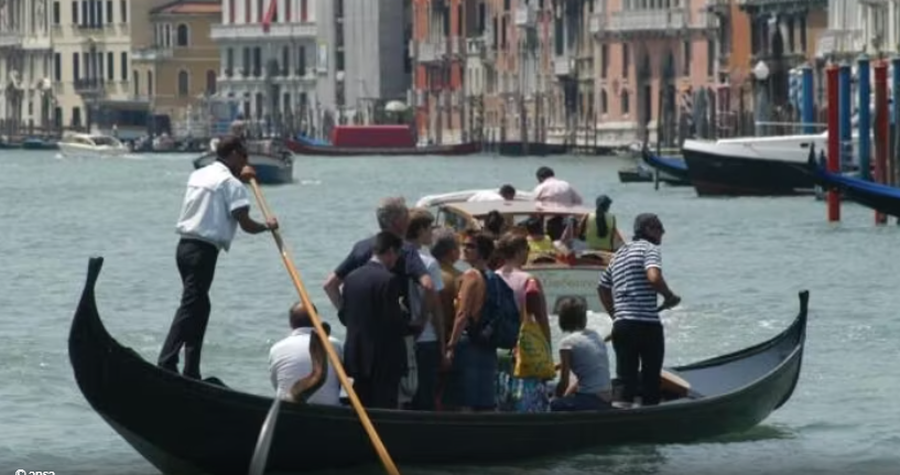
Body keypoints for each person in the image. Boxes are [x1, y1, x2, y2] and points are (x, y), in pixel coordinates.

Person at [158, 136, 278, 379]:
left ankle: (192, 370)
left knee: (200, 306)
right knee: (192, 305)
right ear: (234, 154)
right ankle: (167, 361)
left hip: (183, 248)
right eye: (244, 157)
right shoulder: (230, 184)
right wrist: (268, 226)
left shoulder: (199, 174)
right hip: (202, 252)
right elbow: (245, 224)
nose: (246, 162)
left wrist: (239, 179)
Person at [598, 213, 681, 408]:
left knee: (625, 381)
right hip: (646, 325)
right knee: (651, 379)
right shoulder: (649, 249)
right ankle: (650, 419)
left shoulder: (618, 254)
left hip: (622, 326)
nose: (663, 232)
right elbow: (653, 277)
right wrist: (669, 296)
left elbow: (602, 288)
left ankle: (623, 420)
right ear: (649, 230)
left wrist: (616, 315)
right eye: (659, 228)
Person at [323, 197, 434, 322]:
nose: (409, 221)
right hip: (395, 328)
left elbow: (330, 285)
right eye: (406, 217)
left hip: (363, 327)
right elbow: (428, 285)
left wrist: (347, 315)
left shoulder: (361, 247)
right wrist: (421, 321)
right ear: (397, 222)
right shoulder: (405, 249)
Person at [338, 231, 408, 409]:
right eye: (397, 255)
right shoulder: (389, 280)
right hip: (383, 360)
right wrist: (406, 316)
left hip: (356, 357)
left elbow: (345, 316)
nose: (396, 260)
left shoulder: (351, 278)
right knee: (384, 410)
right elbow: (393, 323)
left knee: (362, 409)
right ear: (391, 251)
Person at [495, 233, 552, 413]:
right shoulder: (529, 280)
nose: (528, 253)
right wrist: (547, 352)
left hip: (496, 345)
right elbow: (541, 318)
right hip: (521, 348)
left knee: (500, 396)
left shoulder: (492, 277)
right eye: (527, 249)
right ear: (519, 251)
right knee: (524, 401)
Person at [445, 231, 498, 412]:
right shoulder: (493, 276)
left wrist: (451, 345)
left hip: (469, 341)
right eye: (464, 245)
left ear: (481, 250)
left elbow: (462, 314)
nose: (464, 249)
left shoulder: (471, 276)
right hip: (487, 340)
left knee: (465, 398)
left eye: (470, 246)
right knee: (485, 398)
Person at [406, 209, 446, 410]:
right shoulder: (429, 263)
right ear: (420, 229)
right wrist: (443, 342)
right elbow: (436, 307)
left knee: (405, 395)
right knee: (425, 395)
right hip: (426, 338)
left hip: (403, 337)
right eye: (430, 228)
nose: (432, 233)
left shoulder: (397, 257)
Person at [269, 302, 343, 405]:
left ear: (290, 323)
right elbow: (341, 381)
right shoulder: (334, 344)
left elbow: (277, 385)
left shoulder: (276, 348)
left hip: (287, 410)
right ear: (317, 320)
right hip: (329, 408)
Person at [551, 297, 613, 412]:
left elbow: (564, 382)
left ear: (562, 319)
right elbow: (583, 378)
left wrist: (554, 400)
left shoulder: (567, 344)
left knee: (552, 403)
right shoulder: (595, 336)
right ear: (584, 318)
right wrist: (566, 396)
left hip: (591, 400)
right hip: (607, 399)